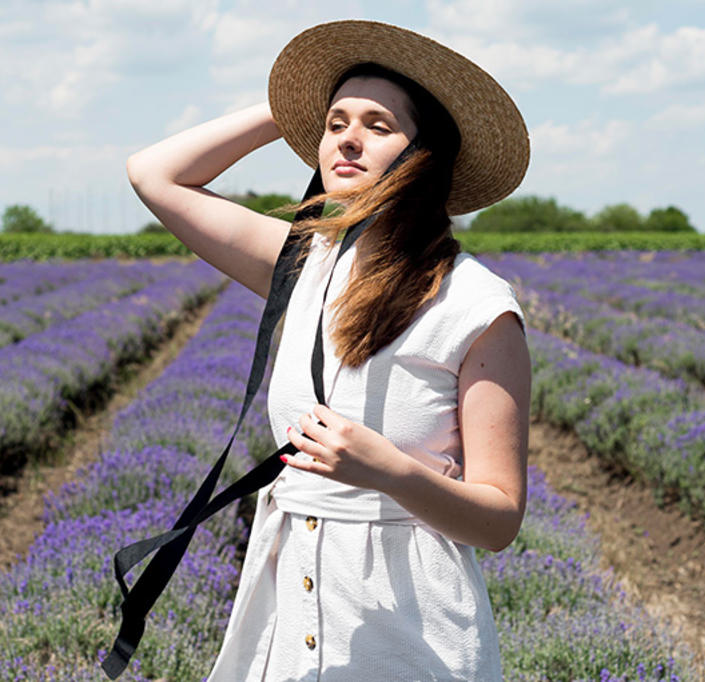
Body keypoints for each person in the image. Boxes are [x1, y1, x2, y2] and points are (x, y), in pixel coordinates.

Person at [125, 19, 531, 681]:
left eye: (378, 124)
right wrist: (292, 109)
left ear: (423, 154)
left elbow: (498, 520)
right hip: (288, 615)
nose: (346, 137)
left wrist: (390, 471)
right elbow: (155, 174)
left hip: (409, 632)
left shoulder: (477, 308)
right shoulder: (298, 261)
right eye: (335, 121)